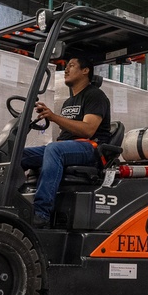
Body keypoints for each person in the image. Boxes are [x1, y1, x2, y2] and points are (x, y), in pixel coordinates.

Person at [21, 55, 111, 228]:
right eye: (66, 66)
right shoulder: (68, 102)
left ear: (85, 71)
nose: (66, 70)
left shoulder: (95, 95)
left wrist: (54, 117)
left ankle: (41, 213)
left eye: (71, 65)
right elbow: (65, 135)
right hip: (69, 148)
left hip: (90, 148)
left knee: (54, 149)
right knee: (21, 153)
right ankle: (13, 202)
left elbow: (88, 129)